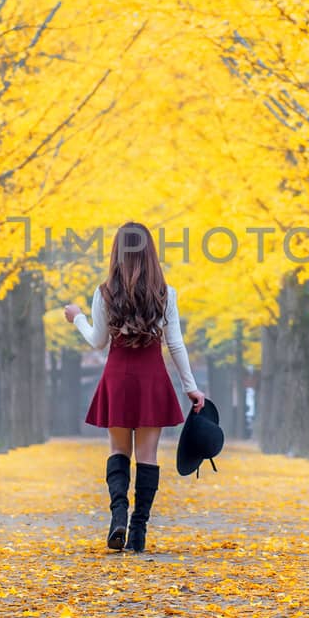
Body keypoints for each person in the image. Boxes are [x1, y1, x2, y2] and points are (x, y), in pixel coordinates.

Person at [64, 222, 205, 553]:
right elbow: (176, 344)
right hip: (152, 377)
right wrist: (191, 388)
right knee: (147, 455)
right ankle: (139, 530)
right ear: (150, 252)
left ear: (117, 251)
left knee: (118, 451)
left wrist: (78, 318)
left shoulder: (105, 293)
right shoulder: (164, 293)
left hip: (118, 375)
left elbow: (98, 342)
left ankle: (118, 519)